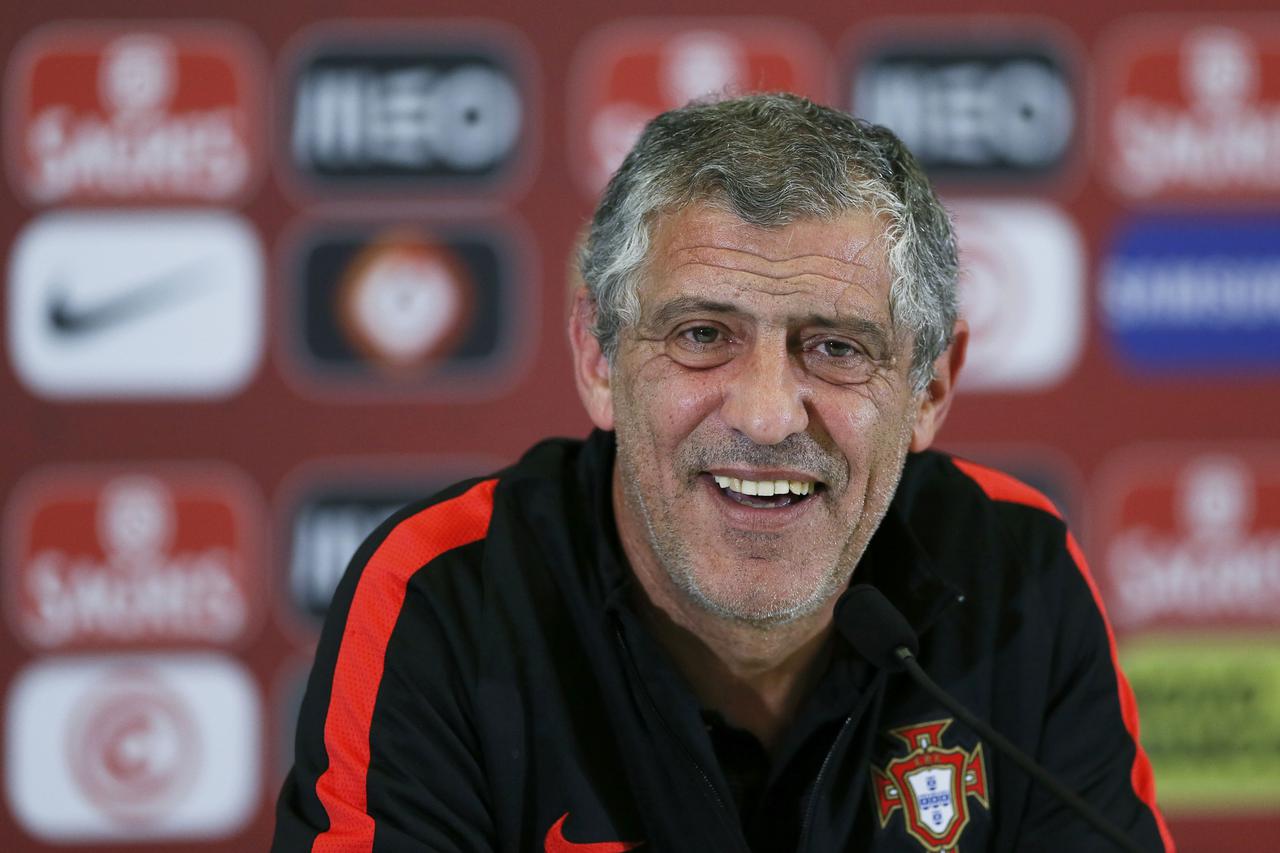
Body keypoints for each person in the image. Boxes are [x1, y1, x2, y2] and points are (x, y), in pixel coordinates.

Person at [273, 93, 1174, 853]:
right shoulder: (441, 592)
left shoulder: (1017, 567)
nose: (768, 412)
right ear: (598, 356)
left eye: (834, 347)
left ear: (930, 388)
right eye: (704, 335)